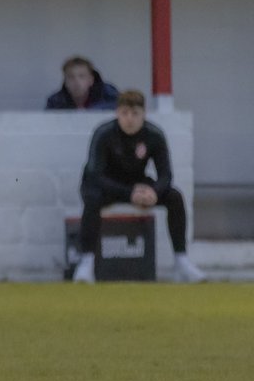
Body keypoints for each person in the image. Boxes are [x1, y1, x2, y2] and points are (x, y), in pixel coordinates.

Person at [72, 90, 206, 284]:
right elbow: (95, 175)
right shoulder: (104, 134)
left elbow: (166, 175)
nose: (129, 119)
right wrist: (130, 193)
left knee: (174, 197)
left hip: (136, 184)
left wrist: (154, 191)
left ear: (143, 114)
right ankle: (86, 263)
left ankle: (181, 261)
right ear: (117, 113)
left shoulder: (154, 135)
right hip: (105, 186)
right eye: (125, 113)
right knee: (92, 198)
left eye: (135, 114)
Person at [46, 56, 119, 110]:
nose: (76, 81)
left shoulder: (109, 95)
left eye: (82, 76)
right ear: (65, 81)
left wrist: (90, 111)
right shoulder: (55, 102)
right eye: (71, 77)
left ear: (91, 80)